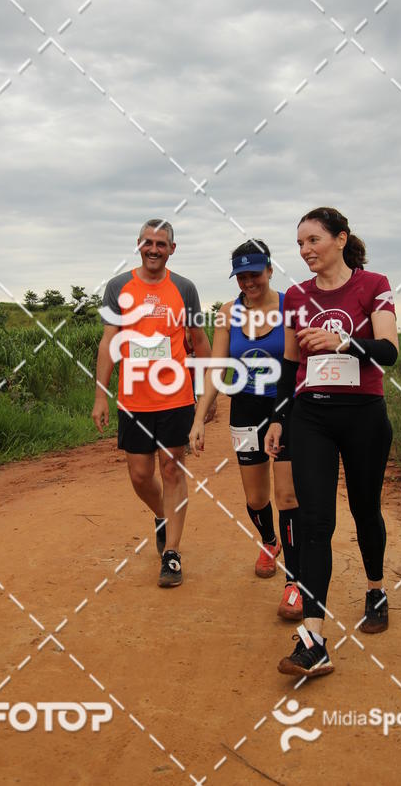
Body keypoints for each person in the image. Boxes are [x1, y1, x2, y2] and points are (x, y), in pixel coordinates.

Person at [265, 207, 398, 678]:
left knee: (365, 509)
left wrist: (342, 341)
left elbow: (389, 352)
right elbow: (286, 365)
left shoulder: (374, 285)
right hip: (311, 416)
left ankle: (376, 588)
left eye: (313, 240)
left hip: (363, 415)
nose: (304, 251)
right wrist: (279, 419)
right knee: (315, 520)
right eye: (299, 243)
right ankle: (314, 640)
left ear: (341, 239)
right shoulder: (295, 296)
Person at [92, 219, 215, 588]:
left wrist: (208, 393)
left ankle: (172, 554)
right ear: (139, 245)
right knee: (141, 476)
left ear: (172, 249)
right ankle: (162, 515)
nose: (154, 249)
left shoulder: (184, 288)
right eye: (148, 242)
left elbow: (200, 341)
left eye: (162, 243)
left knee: (172, 470)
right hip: (133, 398)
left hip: (176, 396)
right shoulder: (118, 287)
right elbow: (108, 343)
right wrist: (101, 394)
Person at [189, 240, 303, 620]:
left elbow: (295, 363)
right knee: (257, 498)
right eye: (241, 275)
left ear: (270, 270)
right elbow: (216, 370)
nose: (248, 282)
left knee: (287, 495)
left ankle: (294, 583)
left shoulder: (291, 306)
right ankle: (269, 542)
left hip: (284, 405)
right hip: (246, 407)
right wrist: (199, 417)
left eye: (254, 273)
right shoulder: (227, 313)